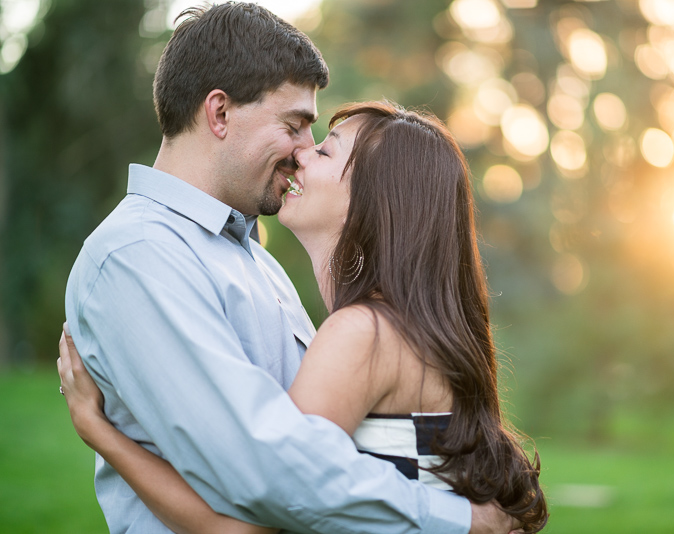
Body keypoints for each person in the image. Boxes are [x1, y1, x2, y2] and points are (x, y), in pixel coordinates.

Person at [61, 3, 519, 533]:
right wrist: (460, 520)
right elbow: (265, 472)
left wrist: (99, 431)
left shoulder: (255, 260)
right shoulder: (139, 255)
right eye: (296, 125)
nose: (304, 151)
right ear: (220, 113)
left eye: (318, 140)